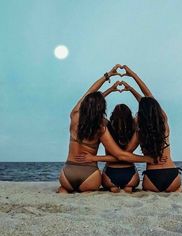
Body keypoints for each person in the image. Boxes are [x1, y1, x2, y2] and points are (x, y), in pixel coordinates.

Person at [79, 65, 181, 192]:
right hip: (171, 173)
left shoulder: (139, 133)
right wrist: (132, 80)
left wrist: (110, 89)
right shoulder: (163, 123)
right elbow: (149, 99)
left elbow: (124, 155)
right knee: (177, 189)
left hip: (151, 179)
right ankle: (177, 190)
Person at [57, 64, 154, 193]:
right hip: (89, 173)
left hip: (67, 172)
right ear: (102, 108)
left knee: (63, 189)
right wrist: (147, 159)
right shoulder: (100, 127)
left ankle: (64, 189)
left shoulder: (74, 115)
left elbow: (89, 93)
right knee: (89, 190)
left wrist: (107, 77)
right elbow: (119, 155)